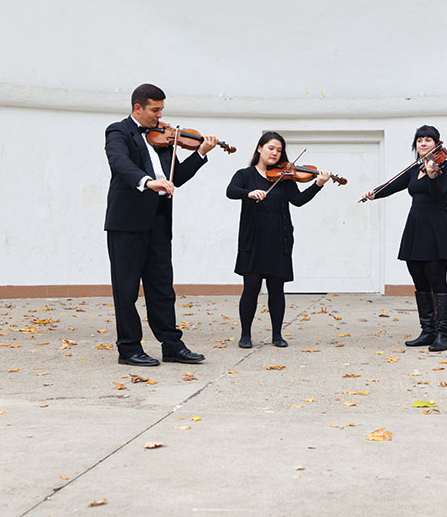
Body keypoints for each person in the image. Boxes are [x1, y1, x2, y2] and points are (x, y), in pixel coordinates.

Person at [104, 83, 218, 366]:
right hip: (127, 222)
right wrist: (146, 181)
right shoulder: (118, 131)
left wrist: (201, 153)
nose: (159, 116)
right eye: (155, 110)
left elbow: (175, 177)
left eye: (162, 110)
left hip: (158, 220)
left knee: (162, 287)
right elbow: (119, 162)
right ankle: (129, 349)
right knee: (126, 289)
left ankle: (171, 345)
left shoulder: (163, 137)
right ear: (138, 108)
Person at [226, 132, 332, 348]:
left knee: (277, 288)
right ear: (259, 148)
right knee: (251, 287)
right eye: (271, 148)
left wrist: (318, 184)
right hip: (253, 239)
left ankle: (277, 334)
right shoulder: (244, 175)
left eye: (279, 150)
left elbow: (299, 201)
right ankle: (245, 335)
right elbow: (231, 191)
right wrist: (249, 193)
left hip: (279, 238)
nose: (275, 153)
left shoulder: (285, 178)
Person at [362, 125, 447, 352]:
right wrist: (374, 193)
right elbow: (393, 185)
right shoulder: (413, 169)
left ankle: (443, 334)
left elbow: (438, 194)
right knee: (419, 280)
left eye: (428, 140)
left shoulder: (445, 168)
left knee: (437, 281)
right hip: (415, 229)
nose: (423, 143)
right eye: (420, 140)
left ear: (437, 143)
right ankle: (428, 330)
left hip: (436, 228)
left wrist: (432, 173)